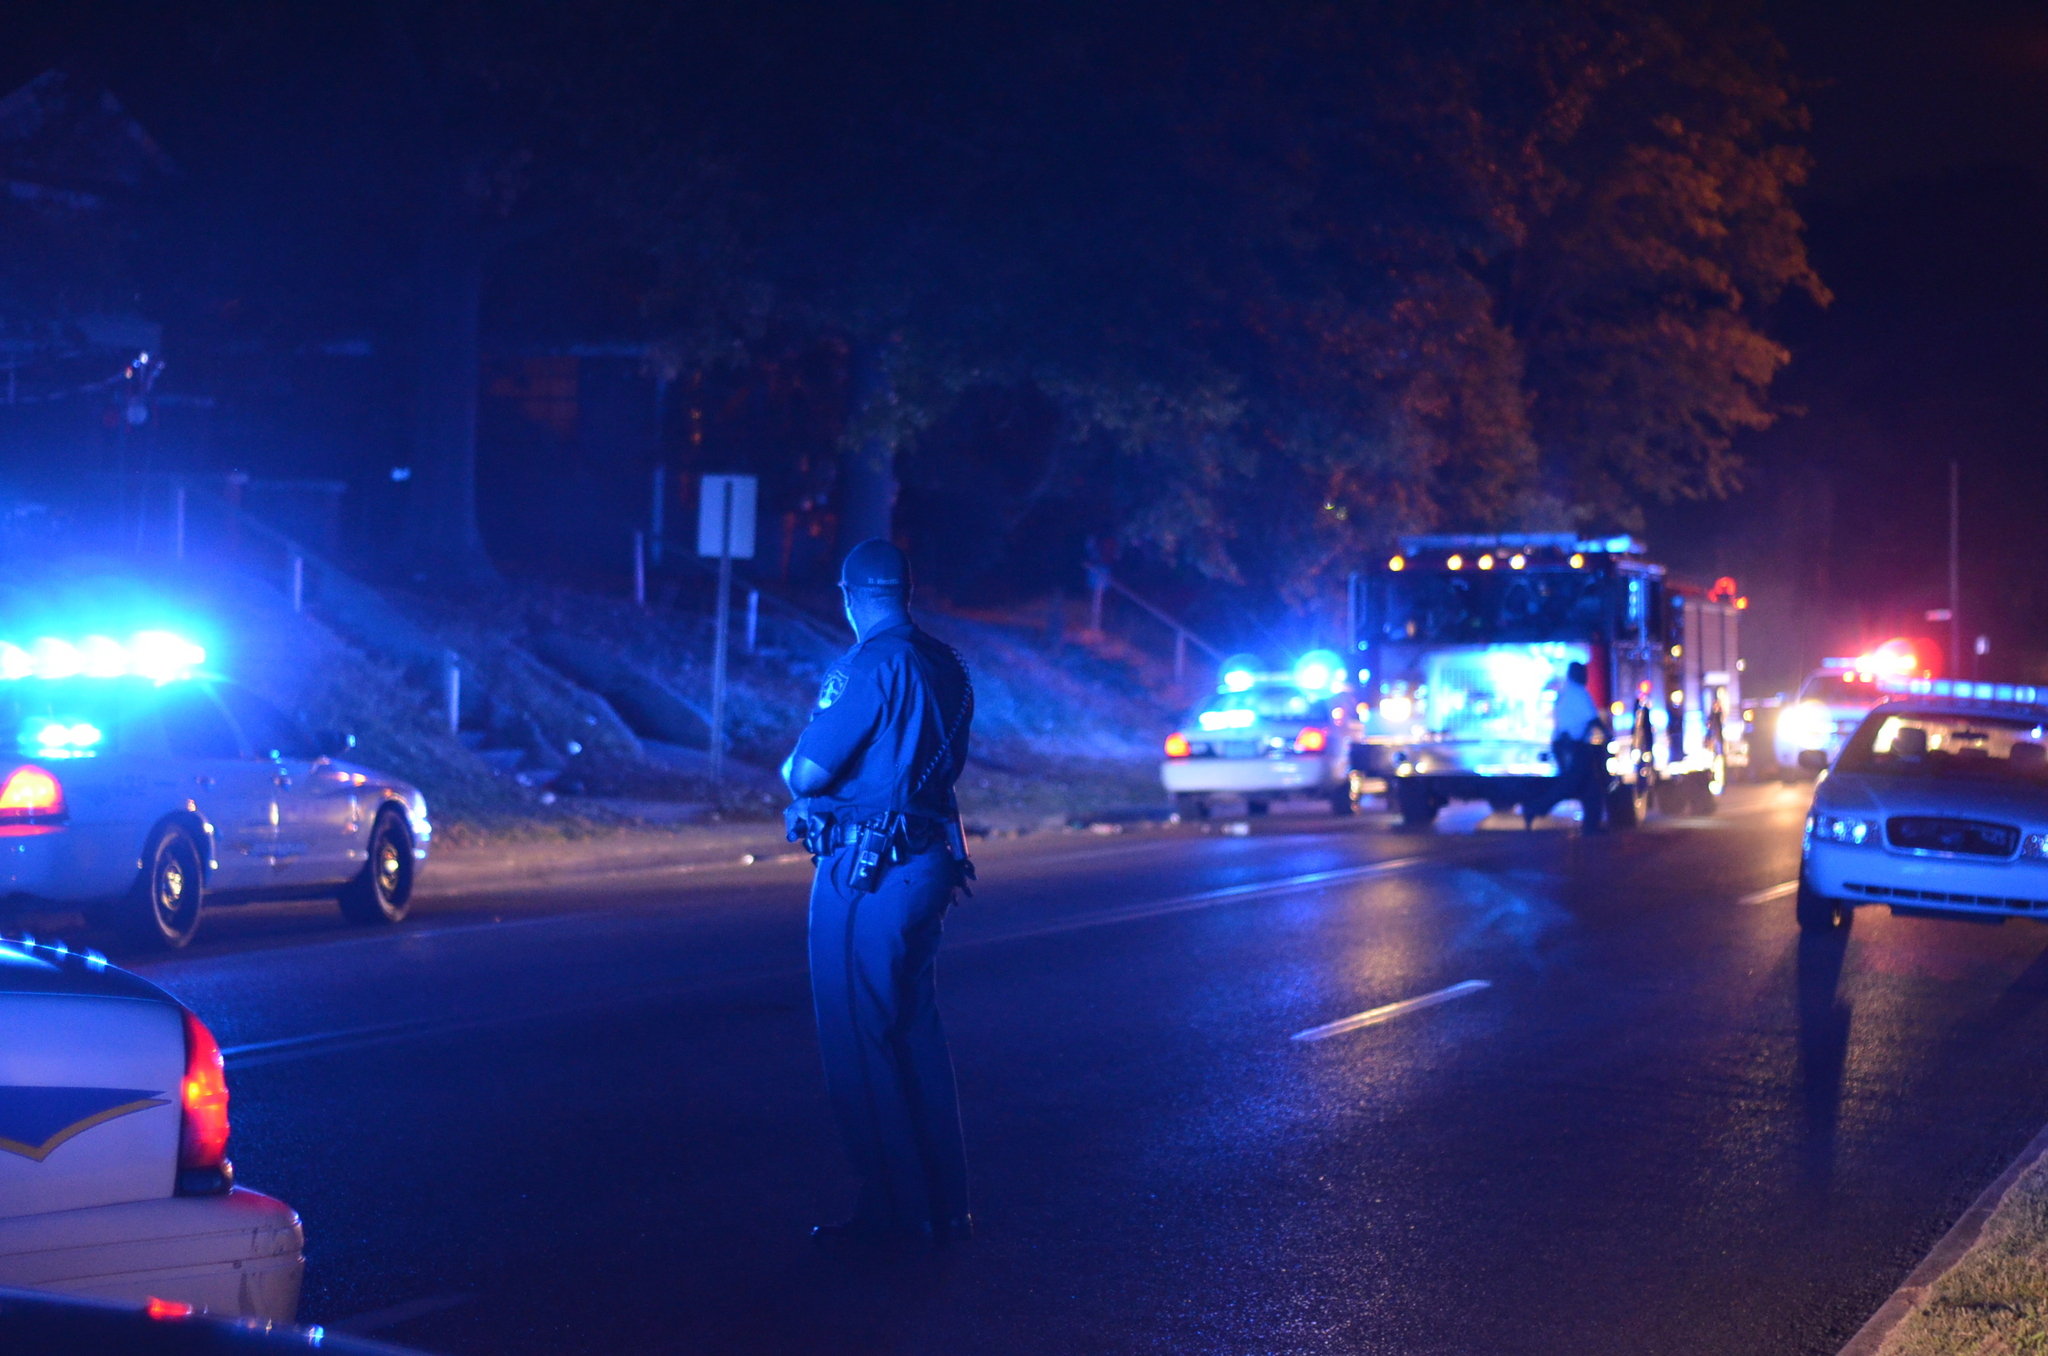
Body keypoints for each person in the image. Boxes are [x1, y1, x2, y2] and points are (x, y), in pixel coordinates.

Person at [782, 539, 977, 1250]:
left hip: (865, 871)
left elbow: (806, 771)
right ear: (907, 590)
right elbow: (944, 765)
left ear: (850, 596)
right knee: (916, 1033)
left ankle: (893, 1216)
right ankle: (945, 1208)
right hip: (926, 862)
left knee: (859, 1038)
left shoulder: (870, 664)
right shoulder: (947, 664)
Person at [1551, 661, 1610, 834]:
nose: (1586, 677)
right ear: (1576, 675)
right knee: (1585, 787)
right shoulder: (1579, 693)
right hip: (1574, 747)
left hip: (1565, 745)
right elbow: (1592, 718)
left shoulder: (1566, 692)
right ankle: (1591, 827)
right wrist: (1608, 733)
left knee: (1586, 787)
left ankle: (1591, 826)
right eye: (1583, 674)